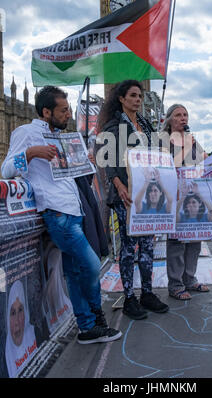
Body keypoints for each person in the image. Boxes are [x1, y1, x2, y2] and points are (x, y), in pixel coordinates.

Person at [1, 86, 122, 345]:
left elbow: (76, 178)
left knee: (76, 273)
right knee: (91, 265)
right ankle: (97, 316)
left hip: (74, 210)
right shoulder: (26, 133)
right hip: (57, 214)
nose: (68, 114)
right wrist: (31, 154)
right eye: (63, 110)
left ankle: (87, 328)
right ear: (46, 112)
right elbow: (7, 168)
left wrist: (85, 161)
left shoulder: (62, 136)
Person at [97, 79, 169, 320]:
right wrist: (119, 186)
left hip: (148, 193)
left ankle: (147, 293)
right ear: (121, 98)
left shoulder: (147, 125)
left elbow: (156, 155)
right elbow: (108, 161)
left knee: (148, 245)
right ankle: (129, 297)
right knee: (129, 247)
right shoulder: (113, 126)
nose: (138, 99)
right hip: (125, 194)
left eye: (140, 96)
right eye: (133, 95)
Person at [160, 104, 210, 300]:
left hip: (193, 196)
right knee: (177, 241)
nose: (183, 118)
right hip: (174, 196)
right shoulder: (162, 141)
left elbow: (204, 161)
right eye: (178, 115)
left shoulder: (191, 139)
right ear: (169, 119)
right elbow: (160, 166)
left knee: (194, 239)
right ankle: (176, 284)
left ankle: (190, 278)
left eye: (185, 115)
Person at [5, 280, 37, 378]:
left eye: (20, 310)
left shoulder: (36, 335)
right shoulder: (4, 361)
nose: (17, 322)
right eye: (13, 313)